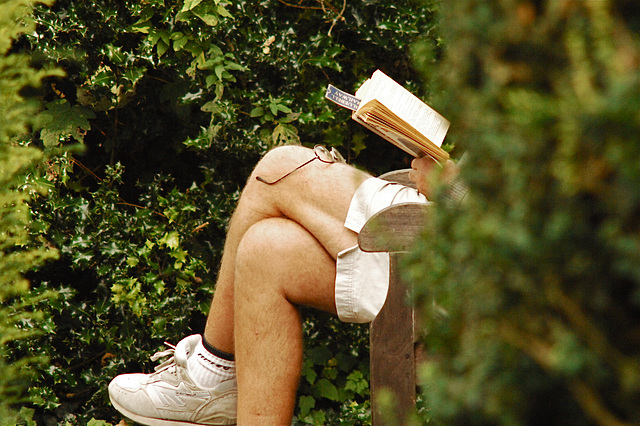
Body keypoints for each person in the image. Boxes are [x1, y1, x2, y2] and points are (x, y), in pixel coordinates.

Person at [108, 144, 462, 426]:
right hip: (452, 243)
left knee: (279, 169)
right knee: (266, 251)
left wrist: (454, 187)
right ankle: (215, 384)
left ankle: (209, 375)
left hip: (459, 261)